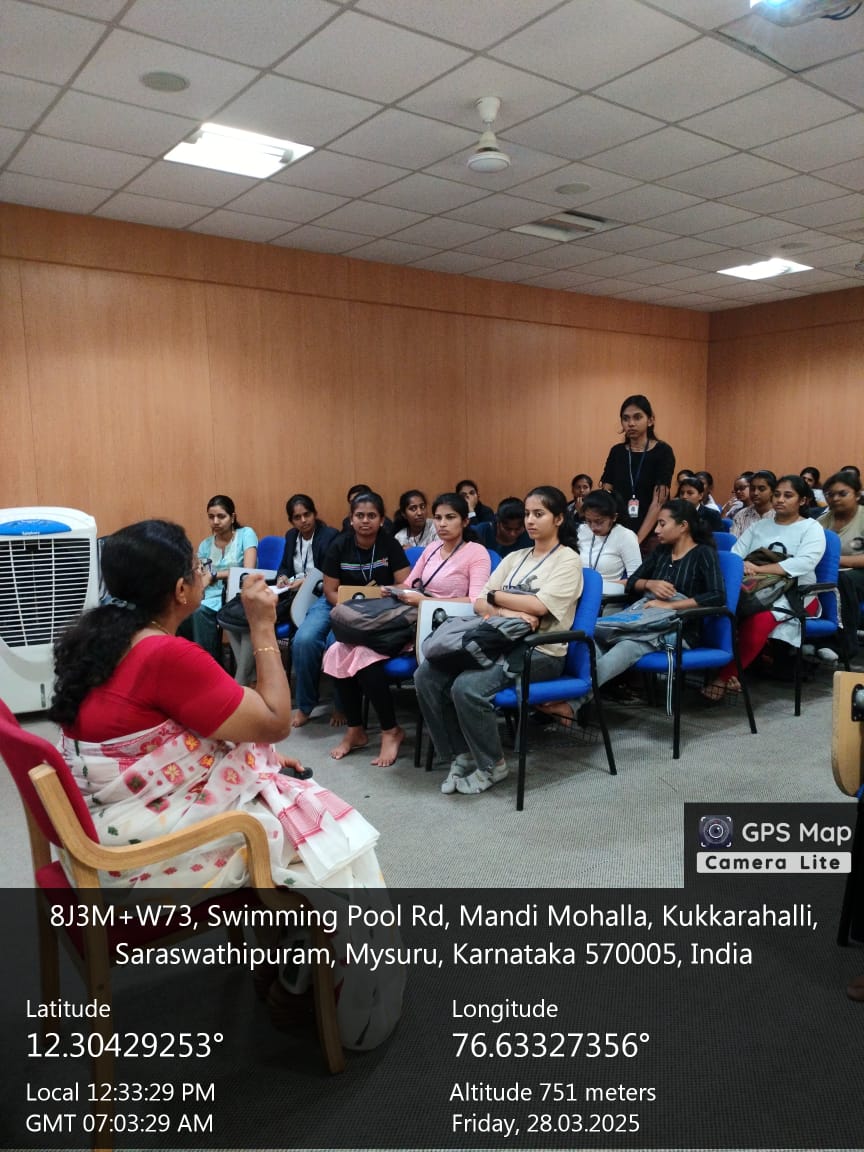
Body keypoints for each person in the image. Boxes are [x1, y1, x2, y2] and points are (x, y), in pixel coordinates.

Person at [48, 519, 401, 1050]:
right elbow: (276, 718)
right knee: (325, 833)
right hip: (140, 856)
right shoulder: (167, 654)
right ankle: (314, 984)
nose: (205, 571)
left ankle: (287, 964)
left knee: (281, 786)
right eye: (197, 567)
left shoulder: (103, 637)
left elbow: (163, 731)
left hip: (103, 824)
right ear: (180, 591)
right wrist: (262, 626)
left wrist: (251, 750)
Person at [415, 486, 583, 796]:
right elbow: (480, 600)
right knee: (426, 674)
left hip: (540, 650)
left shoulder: (568, 561)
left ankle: (493, 765)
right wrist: (506, 607)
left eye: (539, 514)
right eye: (528, 514)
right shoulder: (516, 557)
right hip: (496, 640)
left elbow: (540, 608)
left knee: (466, 687)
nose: (530, 521)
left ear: (559, 518)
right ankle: (461, 753)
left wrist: (497, 598)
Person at [323, 493, 490, 767]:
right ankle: (355, 729)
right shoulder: (433, 548)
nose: (442, 524)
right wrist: (389, 591)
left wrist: (424, 600)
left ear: (464, 521)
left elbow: (476, 603)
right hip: (409, 616)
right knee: (339, 649)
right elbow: (410, 584)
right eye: (438, 518)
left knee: (365, 657)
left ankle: (391, 731)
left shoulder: (476, 553)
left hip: (441, 625)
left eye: (450, 518)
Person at [293, 491, 409, 730]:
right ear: (351, 519)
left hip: (375, 609)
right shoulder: (339, 545)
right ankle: (305, 705)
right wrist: (346, 610)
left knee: (339, 644)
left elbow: (404, 585)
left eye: (371, 515)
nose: (365, 521)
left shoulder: (390, 544)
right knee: (303, 640)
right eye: (360, 515)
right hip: (336, 604)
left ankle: (342, 706)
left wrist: (383, 594)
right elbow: (330, 591)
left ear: (382, 519)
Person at [704, 475, 826, 697]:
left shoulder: (811, 528)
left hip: (795, 593)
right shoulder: (761, 526)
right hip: (753, 586)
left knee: (758, 620)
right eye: (777, 494)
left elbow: (804, 562)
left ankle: (724, 677)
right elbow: (735, 556)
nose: (780, 499)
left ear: (802, 501)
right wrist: (745, 567)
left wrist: (758, 569)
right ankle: (713, 667)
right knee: (719, 608)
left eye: (788, 495)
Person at [592, 499, 725, 694]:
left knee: (627, 646)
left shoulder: (703, 553)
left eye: (662, 524)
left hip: (679, 628)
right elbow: (632, 582)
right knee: (592, 637)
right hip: (645, 620)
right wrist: (649, 584)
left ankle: (573, 699)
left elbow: (717, 596)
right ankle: (591, 693)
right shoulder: (662, 551)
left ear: (683, 526)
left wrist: (672, 606)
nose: (656, 530)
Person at [186, 495, 257, 667]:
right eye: (211, 517)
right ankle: (194, 664)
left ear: (232, 517)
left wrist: (215, 575)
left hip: (236, 594)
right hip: (210, 594)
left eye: (221, 516)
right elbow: (202, 575)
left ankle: (209, 667)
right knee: (185, 610)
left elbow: (248, 570)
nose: (215, 521)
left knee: (200, 612)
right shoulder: (205, 545)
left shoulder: (246, 534)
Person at [601, 395, 675, 554]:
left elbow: (659, 501)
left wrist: (636, 540)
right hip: (618, 529)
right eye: (626, 418)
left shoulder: (663, 451)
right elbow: (606, 493)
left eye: (637, 417)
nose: (631, 423)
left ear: (650, 420)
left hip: (652, 531)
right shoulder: (617, 452)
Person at [818, 470, 864, 664]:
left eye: (842, 493)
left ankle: (844, 645)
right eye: (830, 494)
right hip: (830, 572)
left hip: (858, 573)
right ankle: (813, 639)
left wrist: (835, 561)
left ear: (857, 494)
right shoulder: (821, 521)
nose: (835, 498)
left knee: (843, 581)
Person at [576, 489, 642, 601]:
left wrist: (598, 587)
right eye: (588, 521)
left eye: (599, 522)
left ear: (614, 517)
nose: (593, 527)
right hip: (577, 593)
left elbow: (636, 580)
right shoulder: (581, 531)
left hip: (606, 598)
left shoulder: (625, 536)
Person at [732, 469, 776, 538]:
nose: (755, 493)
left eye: (761, 489)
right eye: (752, 489)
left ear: (772, 491)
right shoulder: (741, 516)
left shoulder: (781, 516)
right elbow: (734, 545)